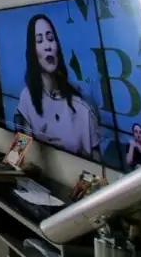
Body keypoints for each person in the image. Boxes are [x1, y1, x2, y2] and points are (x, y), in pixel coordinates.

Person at [14, 14, 100, 157]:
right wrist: (39, 145)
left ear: (57, 46)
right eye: (39, 41)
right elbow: (17, 153)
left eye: (50, 38)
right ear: (32, 51)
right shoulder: (27, 97)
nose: (47, 46)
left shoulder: (82, 108)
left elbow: (98, 164)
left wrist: (74, 152)